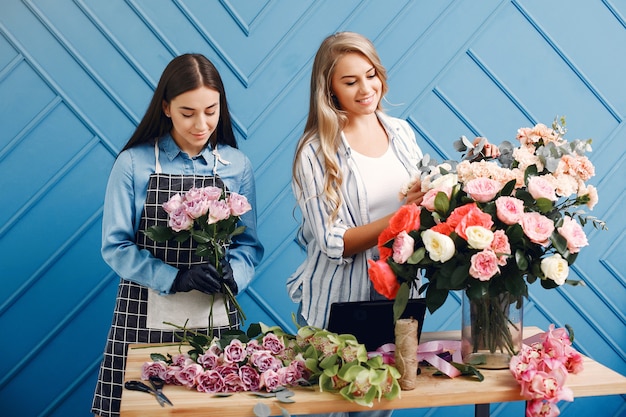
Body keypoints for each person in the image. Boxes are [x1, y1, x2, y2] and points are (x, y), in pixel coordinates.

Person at [287, 32, 497, 417]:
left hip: (396, 301)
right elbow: (335, 242)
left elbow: (423, 205)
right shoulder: (316, 152)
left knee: (378, 408)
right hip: (337, 307)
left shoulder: (400, 132)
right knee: (332, 410)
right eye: (350, 82)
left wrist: (464, 173)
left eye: (371, 75)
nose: (366, 89)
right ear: (329, 90)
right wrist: (402, 215)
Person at [91, 53, 264, 417]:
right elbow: (116, 247)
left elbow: (247, 244)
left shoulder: (237, 165)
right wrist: (176, 278)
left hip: (217, 322)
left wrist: (236, 275)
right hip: (143, 318)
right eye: (188, 113)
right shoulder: (134, 164)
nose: (202, 124)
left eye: (211, 111)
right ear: (166, 107)